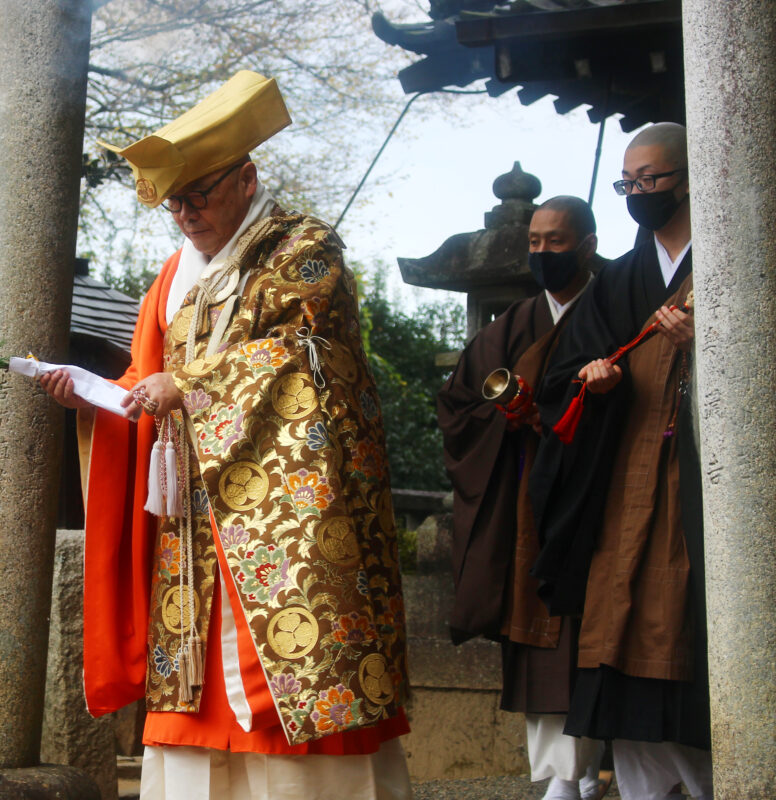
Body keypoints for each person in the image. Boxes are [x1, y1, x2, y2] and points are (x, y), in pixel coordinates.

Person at [39, 71, 411, 799]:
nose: (183, 213)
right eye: (173, 200)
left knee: (298, 688)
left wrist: (194, 385)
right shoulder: (172, 278)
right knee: (193, 688)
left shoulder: (304, 250)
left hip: (289, 522)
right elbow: (147, 382)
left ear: (247, 178)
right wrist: (93, 397)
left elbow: (312, 357)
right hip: (193, 524)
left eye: (198, 193)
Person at [529, 123, 711, 800]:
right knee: (617, 628)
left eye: (651, 180)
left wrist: (706, 343)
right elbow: (563, 377)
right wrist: (592, 381)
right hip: (625, 480)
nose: (638, 193)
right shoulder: (623, 280)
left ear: (690, 178)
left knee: (687, 630)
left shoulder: (733, 260)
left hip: (695, 489)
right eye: (627, 183)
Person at [438, 196, 607, 800]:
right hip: (529, 507)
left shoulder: (615, 308)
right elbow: (458, 408)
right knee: (542, 640)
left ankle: (594, 769)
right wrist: (505, 418)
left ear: (587, 244)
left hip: (598, 499)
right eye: (534, 242)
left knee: (605, 634)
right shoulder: (507, 328)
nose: (541, 253)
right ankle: (561, 777)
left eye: (555, 242)